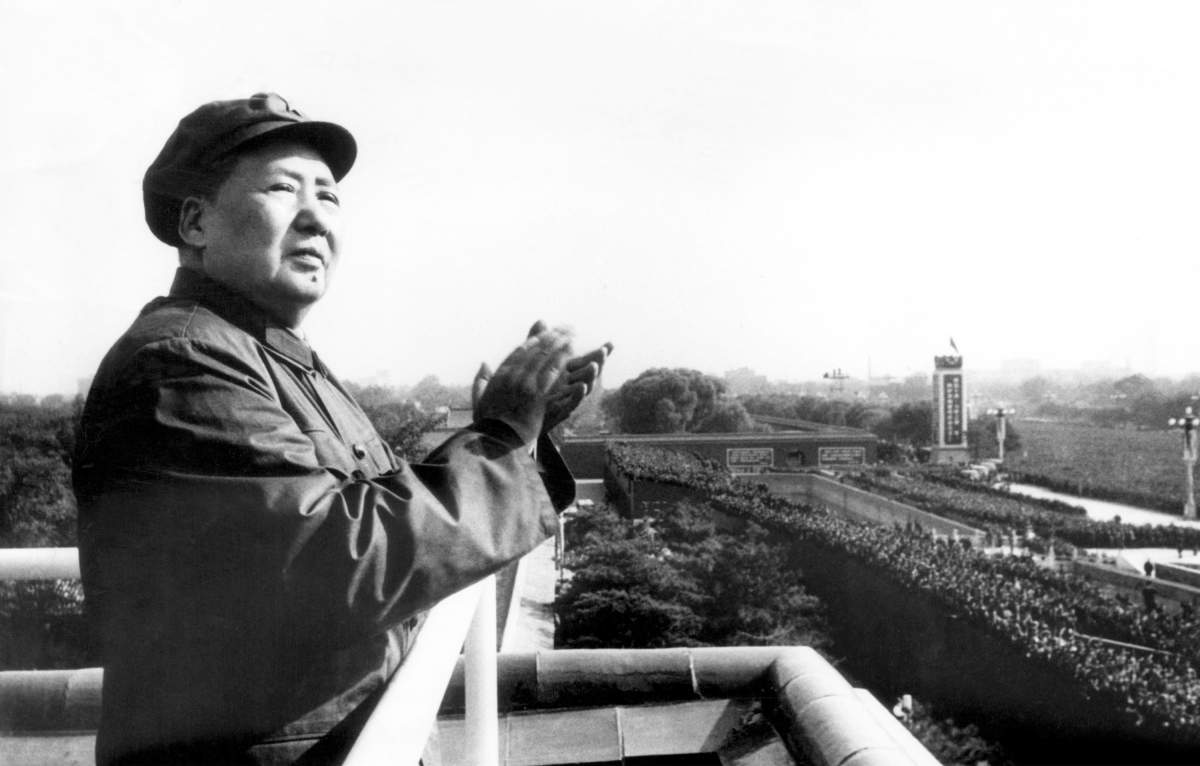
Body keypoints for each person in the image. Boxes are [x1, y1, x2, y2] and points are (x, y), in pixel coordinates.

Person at [72, 92, 609, 765]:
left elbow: (374, 511)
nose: (316, 219)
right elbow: (339, 561)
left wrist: (520, 436)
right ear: (195, 222)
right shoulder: (181, 362)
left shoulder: (271, 357)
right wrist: (498, 436)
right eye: (282, 188)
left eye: (328, 198)